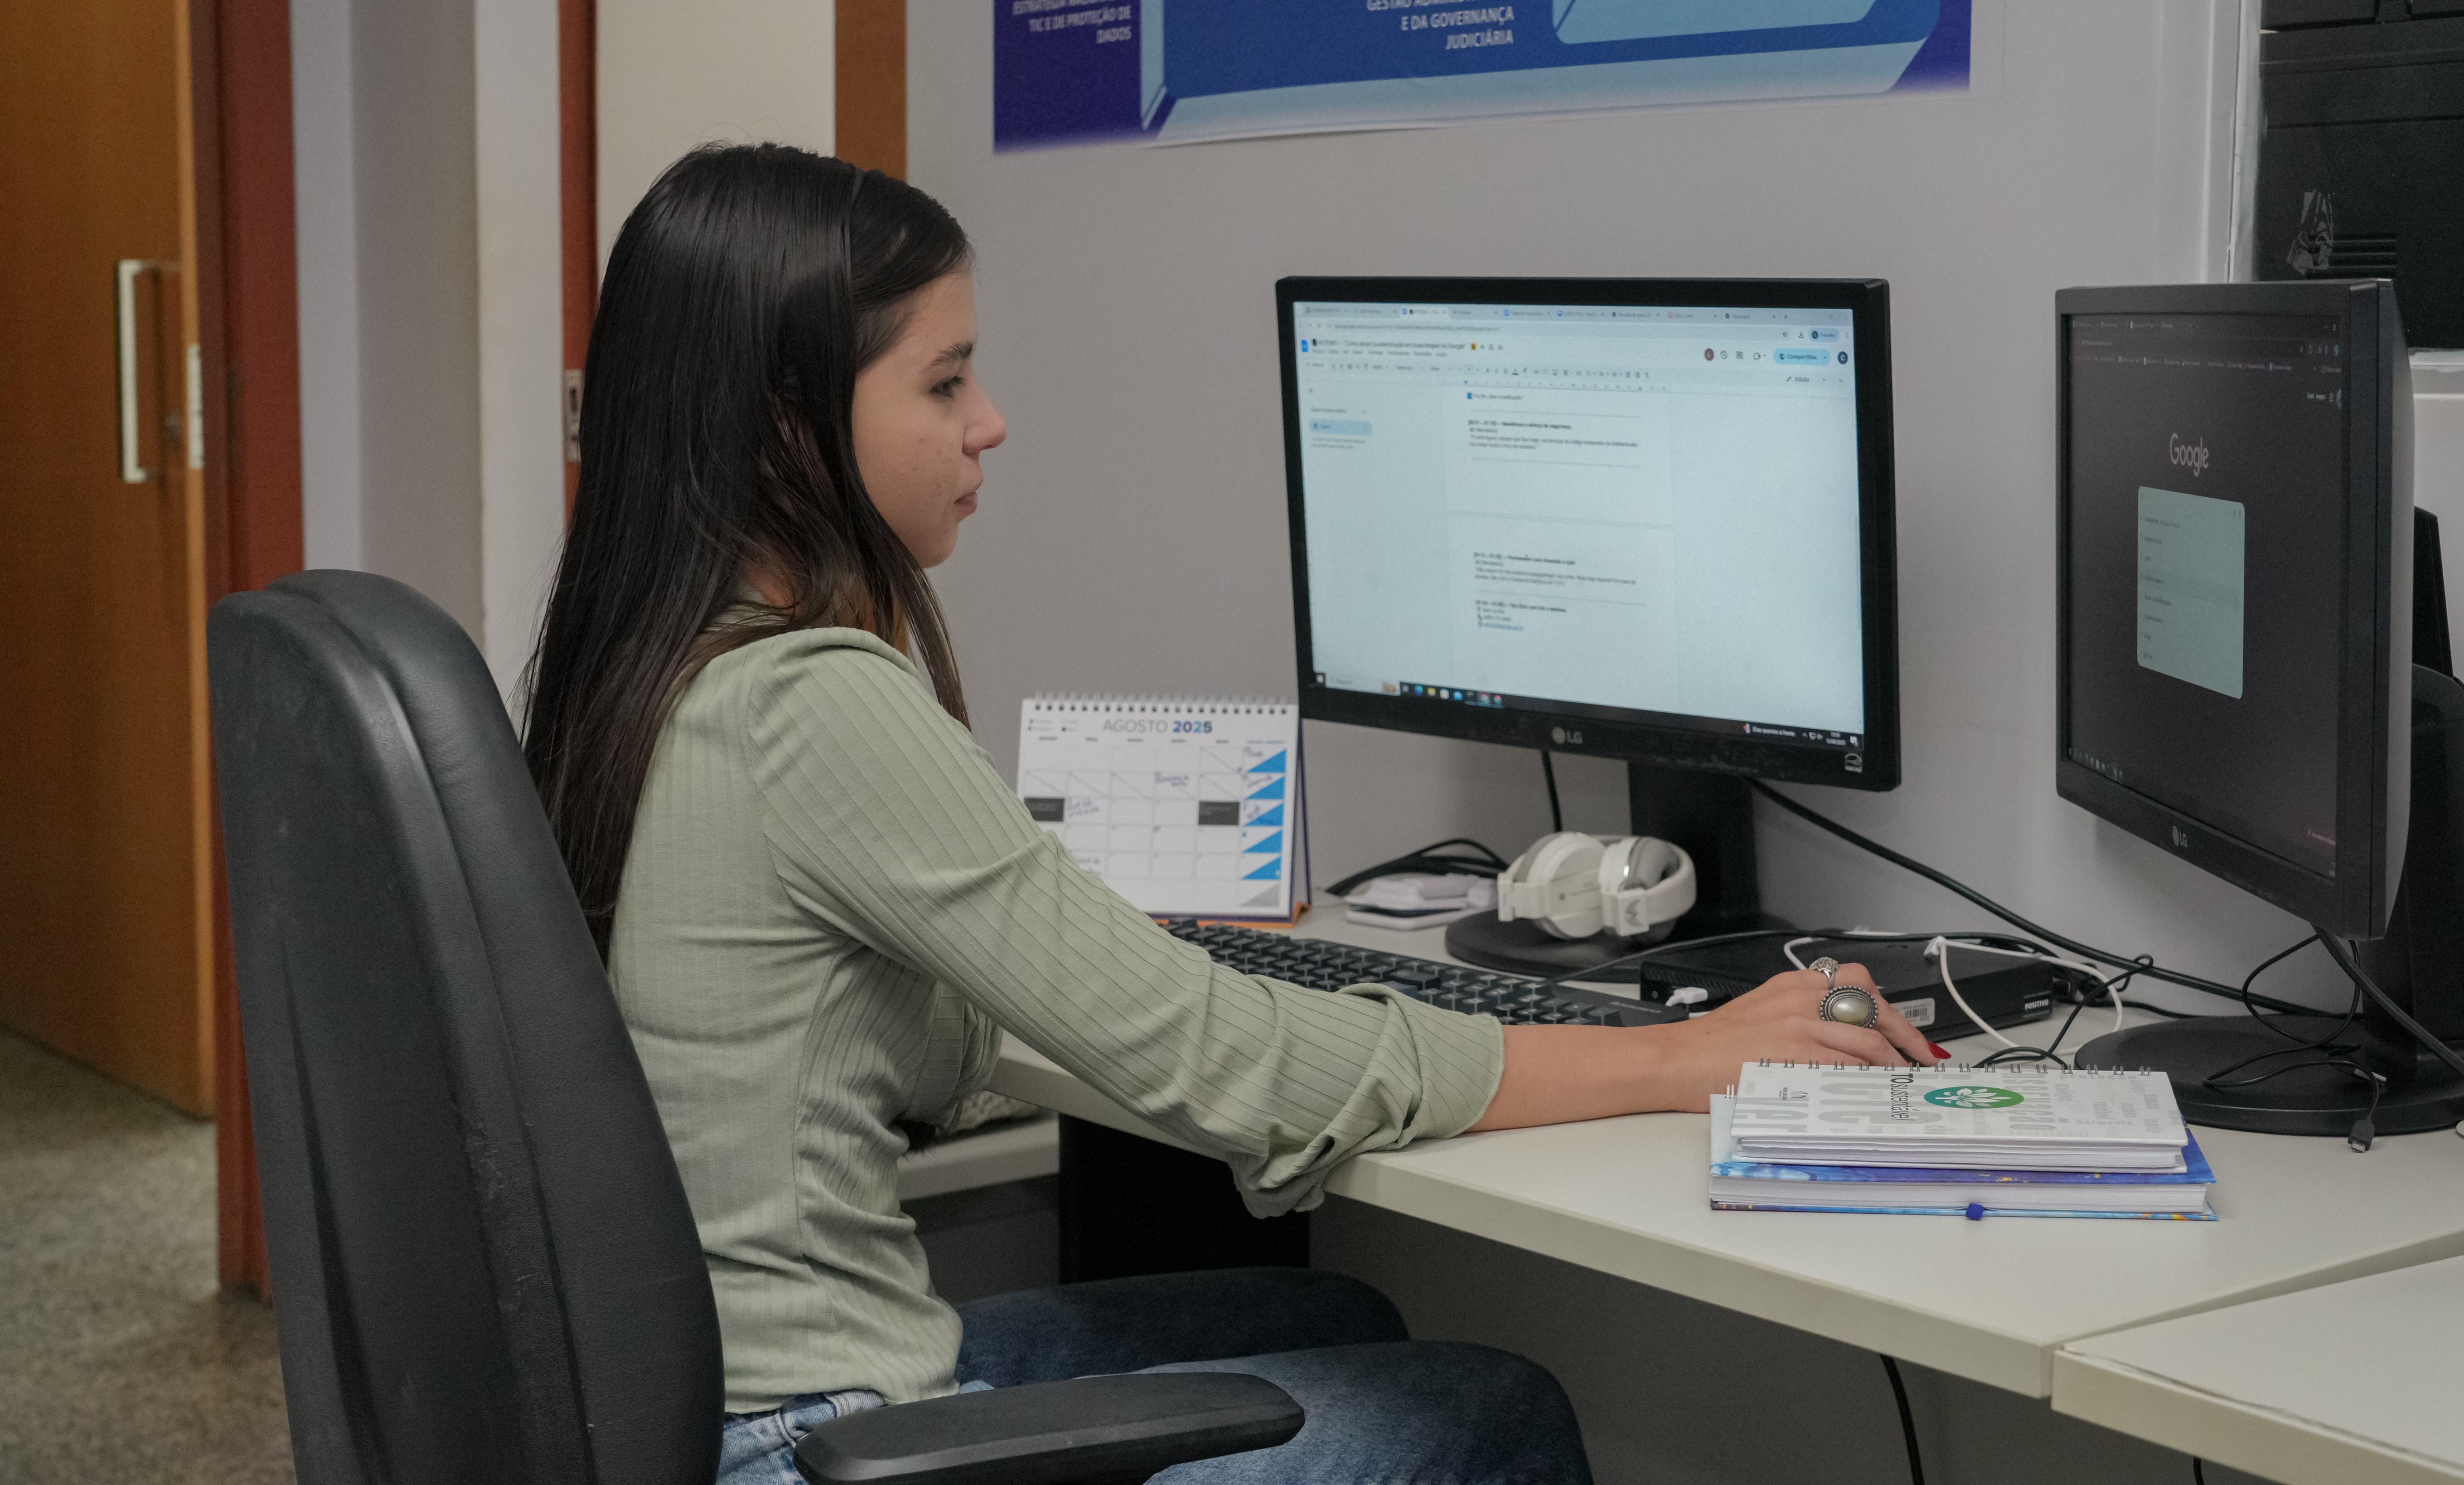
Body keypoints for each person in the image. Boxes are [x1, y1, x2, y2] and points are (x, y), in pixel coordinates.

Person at [521, 143, 1937, 1485]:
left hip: (684, 1409)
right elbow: (1226, 1067)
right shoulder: (813, 703)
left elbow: (853, 1043)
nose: (990, 421)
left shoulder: (650, 667)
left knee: (1337, 1316)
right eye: (945, 382)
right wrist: (1673, 1054)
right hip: (814, 1441)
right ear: (786, 427)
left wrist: (1087, 961)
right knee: (1492, 1408)